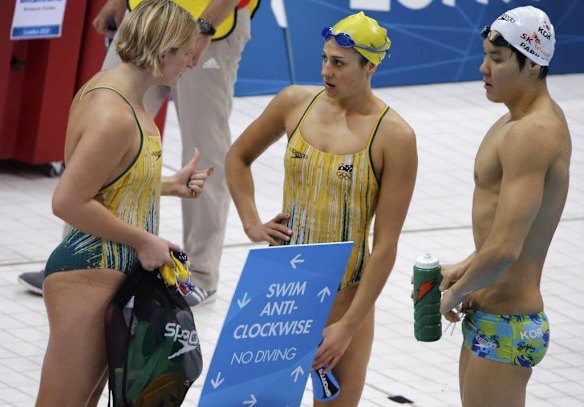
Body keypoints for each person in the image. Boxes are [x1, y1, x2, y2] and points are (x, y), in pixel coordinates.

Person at [226, 12, 417, 405]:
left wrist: (349, 325)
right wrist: (251, 224)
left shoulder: (394, 136)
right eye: (325, 59)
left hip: (346, 297)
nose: (326, 71)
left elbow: (385, 246)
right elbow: (237, 158)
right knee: (255, 401)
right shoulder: (296, 102)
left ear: (370, 67)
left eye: (339, 63)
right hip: (282, 288)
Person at [18, 0, 258, 307]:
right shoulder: (108, 106)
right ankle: (74, 258)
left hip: (209, 26)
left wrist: (204, 28)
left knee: (204, 147)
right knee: (105, 124)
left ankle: (199, 273)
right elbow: (67, 200)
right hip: (149, 17)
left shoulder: (123, 84)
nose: (188, 63)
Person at [35, 1, 210, 405]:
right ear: (163, 51)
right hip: (88, 272)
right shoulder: (112, 113)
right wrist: (143, 240)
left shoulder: (117, 92)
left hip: (108, 272)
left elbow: (105, 182)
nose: (191, 59)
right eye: (186, 51)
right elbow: (68, 201)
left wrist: (167, 185)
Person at [438, 6, 571, 407]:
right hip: (493, 313)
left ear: (532, 64)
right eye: (484, 57)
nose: (483, 68)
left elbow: (506, 249)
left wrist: (453, 293)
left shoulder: (533, 132)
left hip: (509, 322)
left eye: (497, 60)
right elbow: (510, 233)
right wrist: (466, 267)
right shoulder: (516, 122)